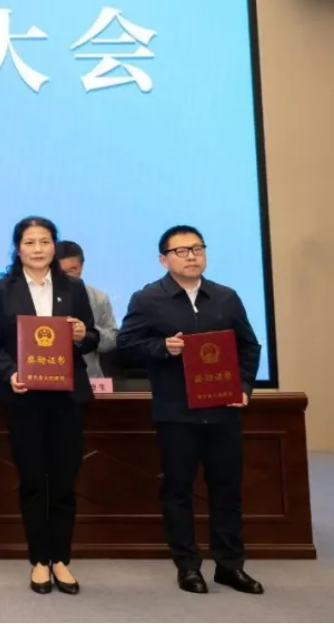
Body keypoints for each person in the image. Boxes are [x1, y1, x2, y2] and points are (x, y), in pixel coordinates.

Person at [116, 225, 263, 595]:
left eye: (197, 248)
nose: (192, 256)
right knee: (178, 490)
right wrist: (162, 347)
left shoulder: (226, 297)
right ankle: (188, 566)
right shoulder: (148, 298)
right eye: (181, 251)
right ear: (163, 259)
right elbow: (126, 346)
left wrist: (244, 387)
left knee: (227, 489)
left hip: (223, 409)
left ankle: (230, 566)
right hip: (176, 411)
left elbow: (249, 346)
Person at [0, 216, 97, 595]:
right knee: (32, 479)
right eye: (29, 242)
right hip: (23, 396)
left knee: (64, 478)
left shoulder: (73, 288)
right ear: (18, 249)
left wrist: (82, 334)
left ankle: (61, 559)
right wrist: (11, 372)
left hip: (66, 397)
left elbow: (91, 338)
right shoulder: (2, 289)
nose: (37, 249)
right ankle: (39, 561)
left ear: (54, 246)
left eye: (44, 242)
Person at [55, 240, 117, 378]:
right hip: (48, 374)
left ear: (81, 266)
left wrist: (88, 333)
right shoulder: (38, 296)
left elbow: (113, 339)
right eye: (61, 271)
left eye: (73, 269)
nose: (67, 276)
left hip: (89, 376)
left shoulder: (99, 298)